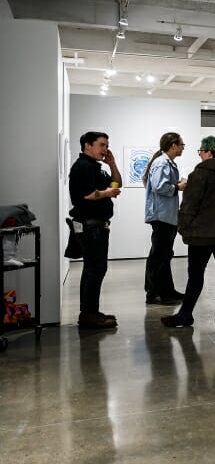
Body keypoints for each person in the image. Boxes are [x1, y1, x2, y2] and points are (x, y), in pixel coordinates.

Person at [161, 136, 215, 327]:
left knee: (196, 274)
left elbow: (190, 204)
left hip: (202, 234)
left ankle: (186, 313)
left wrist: (183, 227)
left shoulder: (201, 173)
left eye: (200, 150)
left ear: (207, 152)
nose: (199, 154)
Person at [68, 131, 122, 329]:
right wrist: (108, 193)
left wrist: (112, 164)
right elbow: (88, 195)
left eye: (106, 145)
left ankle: (90, 311)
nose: (105, 148)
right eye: (101, 144)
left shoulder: (96, 167)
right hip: (90, 225)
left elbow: (118, 183)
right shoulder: (82, 166)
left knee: (93, 268)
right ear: (87, 145)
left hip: (96, 225)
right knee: (96, 268)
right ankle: (89, 314)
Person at [142, 132, 186, 306]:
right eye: (181, 144)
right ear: (173, 145)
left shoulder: (166, 162)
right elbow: (160, 187)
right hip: (162, 216)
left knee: (164, 254)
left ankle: (167, 290)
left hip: (167, 215)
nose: (183, 147)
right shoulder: (161, 163)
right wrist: (178, 186)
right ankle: (154, 293)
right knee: (159, 256)